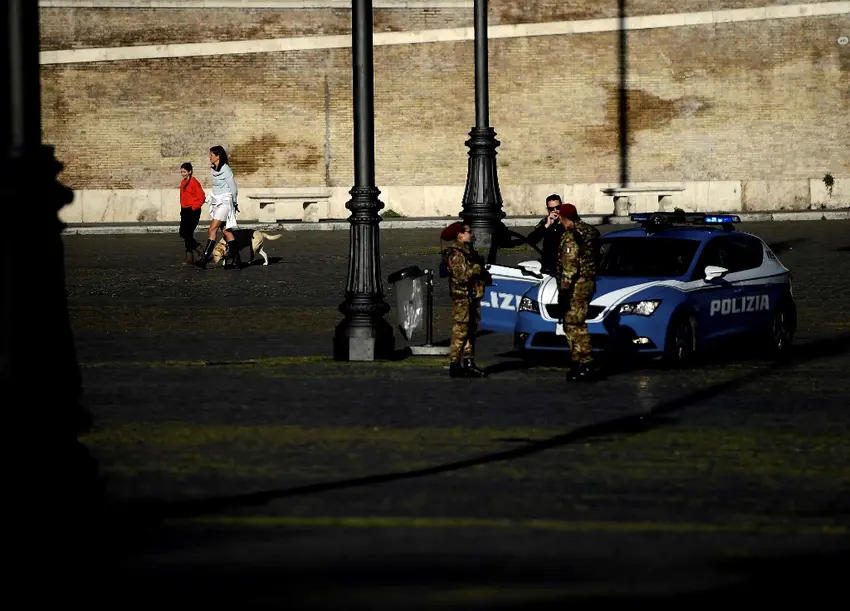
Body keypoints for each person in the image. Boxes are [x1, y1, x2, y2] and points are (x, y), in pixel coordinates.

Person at [556, 203, 603, 382]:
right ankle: (578, 360)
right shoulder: (590, 231)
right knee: (572, 323)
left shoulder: (572, 236)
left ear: (564, 218)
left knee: (575, 324)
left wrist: (564, 289)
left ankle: (585, 361)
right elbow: (599, 254)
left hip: (576, 285)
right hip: (588, 282)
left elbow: (570, 265)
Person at [441, 221, 490, 378]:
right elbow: (462, 276)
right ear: (460, 235)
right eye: (468, 232)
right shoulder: (456, 254)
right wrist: (476, 268)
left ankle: (469, 362)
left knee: (471, 331)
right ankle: (455, 363)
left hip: (472, 295)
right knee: (461, 331)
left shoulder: (467, 251)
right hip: (462, 297)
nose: (471, 234)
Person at [195, 145, 240, 269]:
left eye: (211, 155)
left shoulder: (226, 170)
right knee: (226, 231)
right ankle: (237, 260)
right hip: (217, 202)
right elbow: (216, 187)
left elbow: (233, 188)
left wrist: (234, 203)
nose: (209, 157)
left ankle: (204, 260)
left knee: (212, 229)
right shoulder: (213, 169)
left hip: (225, 202)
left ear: (218, 156)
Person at [525, 194, 565, 274]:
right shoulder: (545, 222)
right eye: (551, 209)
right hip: (550, 266)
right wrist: (547, 226)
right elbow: (531, 240)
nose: (555, 211)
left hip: (567, 264)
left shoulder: (569, 221)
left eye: (558, 207)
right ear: (548, 210)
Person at [178, 162, 205, 265]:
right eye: (181, 172)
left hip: (193, 211)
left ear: (189, 171)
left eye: (184, 172)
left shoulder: (194, 182)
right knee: (183, 232)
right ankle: (197, 247)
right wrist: (182, 207)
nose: (183, 174)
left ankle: (189, 258)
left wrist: (194, 207)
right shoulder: (183, 182)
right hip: (184, 210)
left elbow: (201, 197)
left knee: (188, 233)